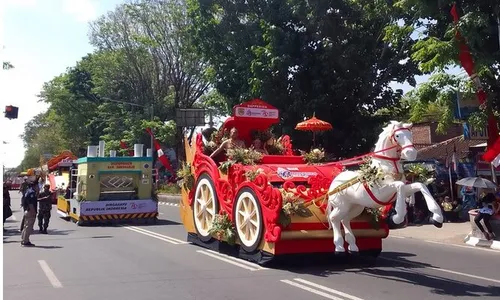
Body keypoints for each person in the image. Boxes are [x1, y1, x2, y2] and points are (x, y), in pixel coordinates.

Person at [21, 182, 38, 247]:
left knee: (25, 226)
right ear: (34, 186)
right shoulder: (32, 193)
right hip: (30, 211)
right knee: (28, 227)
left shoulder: (27, 191)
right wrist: (33, 212)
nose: (38, 187)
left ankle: (23, 240)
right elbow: (31, 204)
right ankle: (25, 241)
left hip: (26, 211)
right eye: (37, 186)